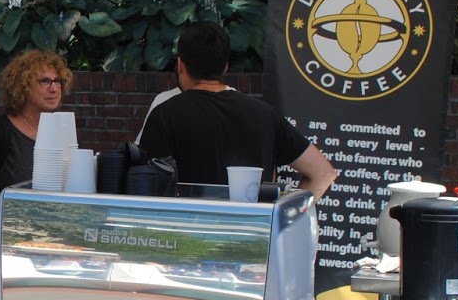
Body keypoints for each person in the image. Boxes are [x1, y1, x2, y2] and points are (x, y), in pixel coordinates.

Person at [138, 21, 336, 201]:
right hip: (253, 236)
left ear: (181, 65)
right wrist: (285, 217)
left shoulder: (165, 114)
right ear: (225, 67)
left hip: (184, 235)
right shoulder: (265, 114)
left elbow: (145, 187)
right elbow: (323, 173)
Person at [0, 50, 72, 224]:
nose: (55, 89)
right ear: (22, 86)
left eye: (58, 81)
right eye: (45, 81)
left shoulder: (62, 131)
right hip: (7, 236)